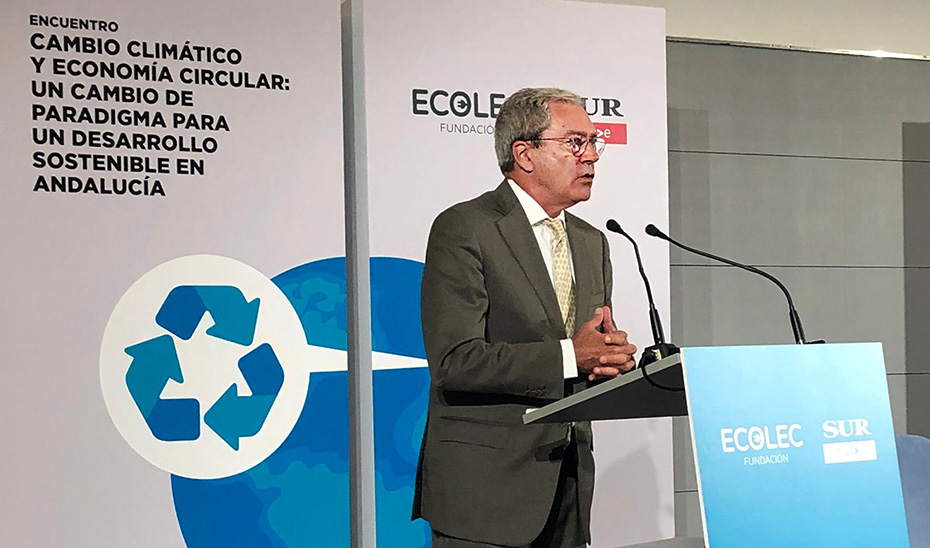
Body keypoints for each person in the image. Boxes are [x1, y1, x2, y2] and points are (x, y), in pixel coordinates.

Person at [412, 87, 637, 548]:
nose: (591, 156)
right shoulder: (465, 227)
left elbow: (582, 351)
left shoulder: (593, 241)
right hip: (486, 493)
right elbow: (456, 361)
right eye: (576, 142)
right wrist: (571, 356)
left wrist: (609, 364)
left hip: (568, 488)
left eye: (595, 142)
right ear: (525, 153)